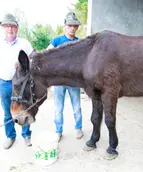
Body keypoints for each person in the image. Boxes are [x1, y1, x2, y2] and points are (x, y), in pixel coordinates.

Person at [0, 13, 33, 149]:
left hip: (22, 84)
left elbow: (33, 60)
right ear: (3, 28)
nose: (10, 29)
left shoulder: (24, 43)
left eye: (12, 26)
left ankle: (26, 135)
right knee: (8, 111)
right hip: (5, 83)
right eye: (7, 26)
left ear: (17, 28)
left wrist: (24, 64)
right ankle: (10, 136)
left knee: (25, 108)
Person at [48, 12, 83, 142]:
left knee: (77, 107)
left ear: (77, 27)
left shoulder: (80, 43)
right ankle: (58, 131)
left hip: (74, 81)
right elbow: (47, 54)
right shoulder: (57, 40)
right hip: (58, 81)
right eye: (70, 25)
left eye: (75, 26)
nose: (72, 28)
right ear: (65, 26)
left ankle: (78, 128)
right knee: (58, 109)